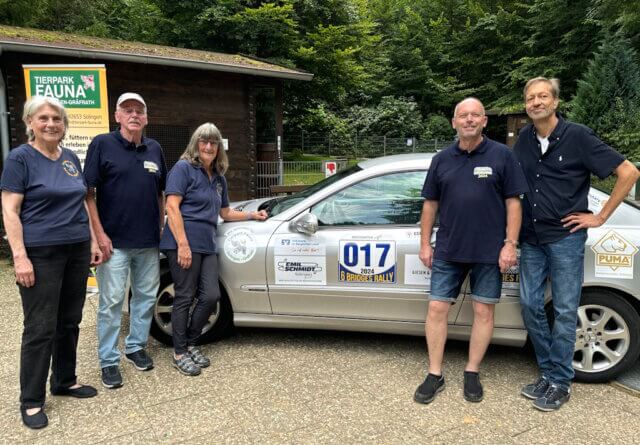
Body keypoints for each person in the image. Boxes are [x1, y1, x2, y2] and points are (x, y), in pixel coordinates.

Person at [513, 77, 640, 411]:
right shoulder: (524, 138)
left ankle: (560, 382)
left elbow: (628, 173)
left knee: (567, 310)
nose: (536, 102)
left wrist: (599, 218)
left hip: (566, 238)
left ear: (555, 102)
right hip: (531, 237)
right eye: (530, 98)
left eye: (542, 96)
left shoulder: (578, 136)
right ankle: (548, 371)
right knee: (529, 305)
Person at [413, 98, 528, 404]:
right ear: (454, 123)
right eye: (462, 116)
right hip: (448, 250)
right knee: (437, 309)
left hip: (490, 252)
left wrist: (510, 244)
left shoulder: (503, 155)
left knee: (483, 311)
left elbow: (513, 203)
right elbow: (430, 204)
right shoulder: (441, 159)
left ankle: (472, 371)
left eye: (475, 115)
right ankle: (434, 374)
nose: (469, 120)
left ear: (484, 121)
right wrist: (425, 243)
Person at [1, 96, 102, 429]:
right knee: (40, 328)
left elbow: (82, 203)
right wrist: (20, 257)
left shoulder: (70, 157)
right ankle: (31, 399)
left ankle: (64, 380)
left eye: (57, 118)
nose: (51, 124)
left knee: (70, 319)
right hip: (41, 253)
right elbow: (10, 211)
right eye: (43, 118)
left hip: (75, 251)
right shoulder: (20, 158)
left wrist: (91, 242)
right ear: (30, 122)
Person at [160, 123, 267, 376]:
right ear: (196, 144)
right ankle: (179, 352)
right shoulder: (183, 169)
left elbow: (225, 212)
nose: (208, 147)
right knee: (184, 296)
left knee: (210, 295)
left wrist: (253, 214)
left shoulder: (218, 178)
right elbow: (172, 207)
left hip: (207, 244)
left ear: (219, 147)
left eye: (213, 142)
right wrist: (182, 245)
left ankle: (191, 341)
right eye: (203, 142)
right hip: (183, 242)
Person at [84, 92, 167, 389]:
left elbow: (161, 192)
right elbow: (88, 193)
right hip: (113, 243)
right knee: (111, 303)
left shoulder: (154, 148)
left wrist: (160, 226)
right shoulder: (102, 144)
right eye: (127, 110)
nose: (134, 115)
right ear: (117, 116)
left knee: (144, 298)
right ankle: (108, 360)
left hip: (147, 241)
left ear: (146, 118)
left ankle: (135, 347)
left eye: (139, 111)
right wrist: (99, 235)